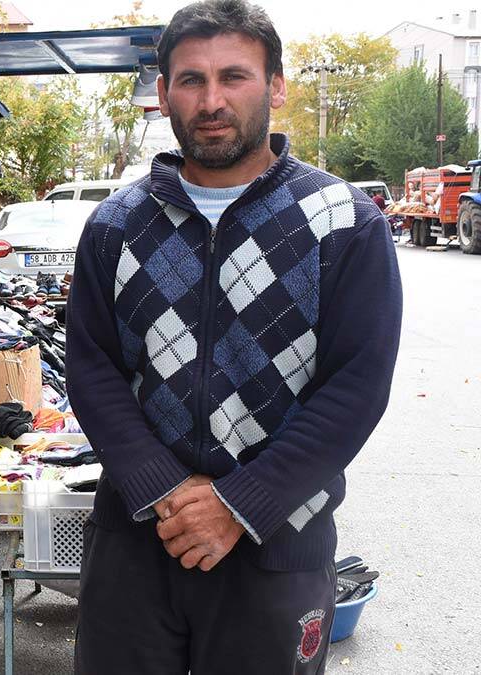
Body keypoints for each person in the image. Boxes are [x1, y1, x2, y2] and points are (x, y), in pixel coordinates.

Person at [65, 1, 402, 673]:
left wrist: (237, 505)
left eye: (234, 77)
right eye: (190, 80)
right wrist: (165, 490)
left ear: (276, 86)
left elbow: (356, 387)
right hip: (137, 541)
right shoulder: (115, 225)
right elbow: (91, 369)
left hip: (277, 544)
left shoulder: (345, 225)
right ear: (163, 95)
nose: (211, 100)